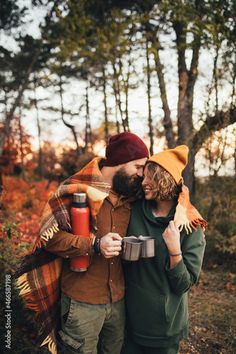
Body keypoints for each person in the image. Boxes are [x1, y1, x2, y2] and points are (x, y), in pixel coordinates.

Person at [16, 132, 149, 354]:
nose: (141, 174)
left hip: (118, 301)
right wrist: (95, 245)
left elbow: (168, 192)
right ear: (121, 162)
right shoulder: (74, 191)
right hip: (81, 304)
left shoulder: (131, 196)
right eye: (138, 166)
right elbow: (50, 239)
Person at [122, 145, 207, 354]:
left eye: (150, 177)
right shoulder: (133, 210)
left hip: (164, 329)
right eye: (143, 177)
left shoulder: (189, 225)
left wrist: (174, 250)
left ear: (165, 179)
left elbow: (184, 284)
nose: (143, 183)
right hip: (128, 321)